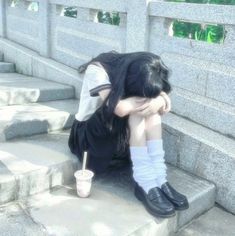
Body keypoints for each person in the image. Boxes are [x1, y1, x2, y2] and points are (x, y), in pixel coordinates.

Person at [68, 50, 189, 218]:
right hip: (88, 141)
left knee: (148, 106)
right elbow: (119, 108)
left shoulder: (133, 70)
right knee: (140, 107)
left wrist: (160, 99)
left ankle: (159, 177)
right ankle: (144, 180)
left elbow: (150, 96)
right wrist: (159, 100)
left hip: (115, 138)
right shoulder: (97, 70)